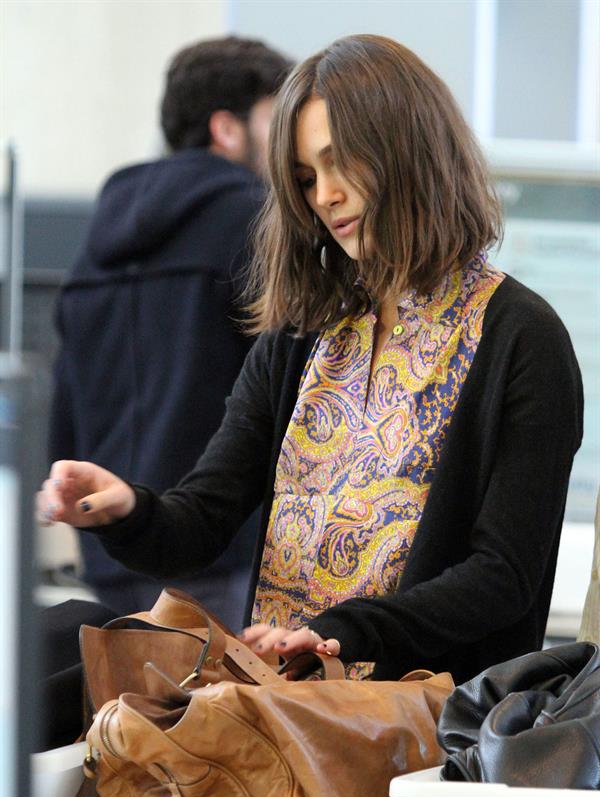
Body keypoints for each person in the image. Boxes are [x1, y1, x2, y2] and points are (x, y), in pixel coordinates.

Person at [39, 34, 583, 685]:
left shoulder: (521, 336)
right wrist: (128, 507)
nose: (323, 196)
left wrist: (344, 628)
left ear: (409, 149)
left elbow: (503, 575)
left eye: (339, 163)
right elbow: (202, 518)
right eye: (303, 177)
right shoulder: (301, 338)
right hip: (287, 717)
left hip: (428, 738)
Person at [48, 37, 291, 626]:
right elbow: (289, 389)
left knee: (117, 716)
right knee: (217, 719)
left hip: (109, 543)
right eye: (273, 119)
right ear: (227, 129)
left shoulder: (96, 243)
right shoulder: (256, 223)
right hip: (219, 553)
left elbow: (64, 405)